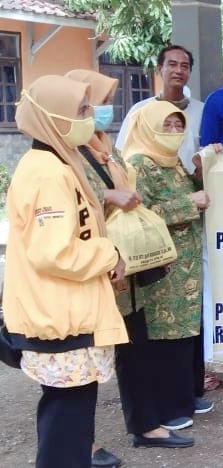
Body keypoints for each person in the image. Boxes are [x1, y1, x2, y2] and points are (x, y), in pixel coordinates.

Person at [3, 74, 129, 468]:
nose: (89, 117)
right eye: (80, 110)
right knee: (67, 420)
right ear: (54, 118)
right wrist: (109, 255)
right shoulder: (48, 171)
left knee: (67, 419)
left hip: (64, 312)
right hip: (60, 317)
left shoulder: (54, 161)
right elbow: (54, 252)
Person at [116, 45, 219, 412]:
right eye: (167, 125)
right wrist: (187, 204)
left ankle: (184, 400)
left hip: (184, 265)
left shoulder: (172, 160)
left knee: (184, 336)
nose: (175, 130)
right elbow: (138, 211)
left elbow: (193, 193)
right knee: (162, 338)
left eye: (179, 124)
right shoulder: (138, 163)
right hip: (160, 270)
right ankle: (167, 408)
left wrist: (199, 171)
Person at [64, 68, 139, 468]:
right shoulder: (63, 151)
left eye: (109, 101)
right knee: (73, 365)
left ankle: (83, 440)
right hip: (83, 264)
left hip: (106, 256)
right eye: (95, 102)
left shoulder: (102, 143)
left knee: (92, 358)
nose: (105, 110)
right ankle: (81, 444)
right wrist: (107, 192)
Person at [117, 45, 205, 179]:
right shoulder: (141, 110)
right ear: (159, 69)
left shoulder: (202, 110)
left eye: (184, 66)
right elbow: (122, 151)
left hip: (192, 186)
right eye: (172, 64)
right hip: (151, 187)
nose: (178, 70)